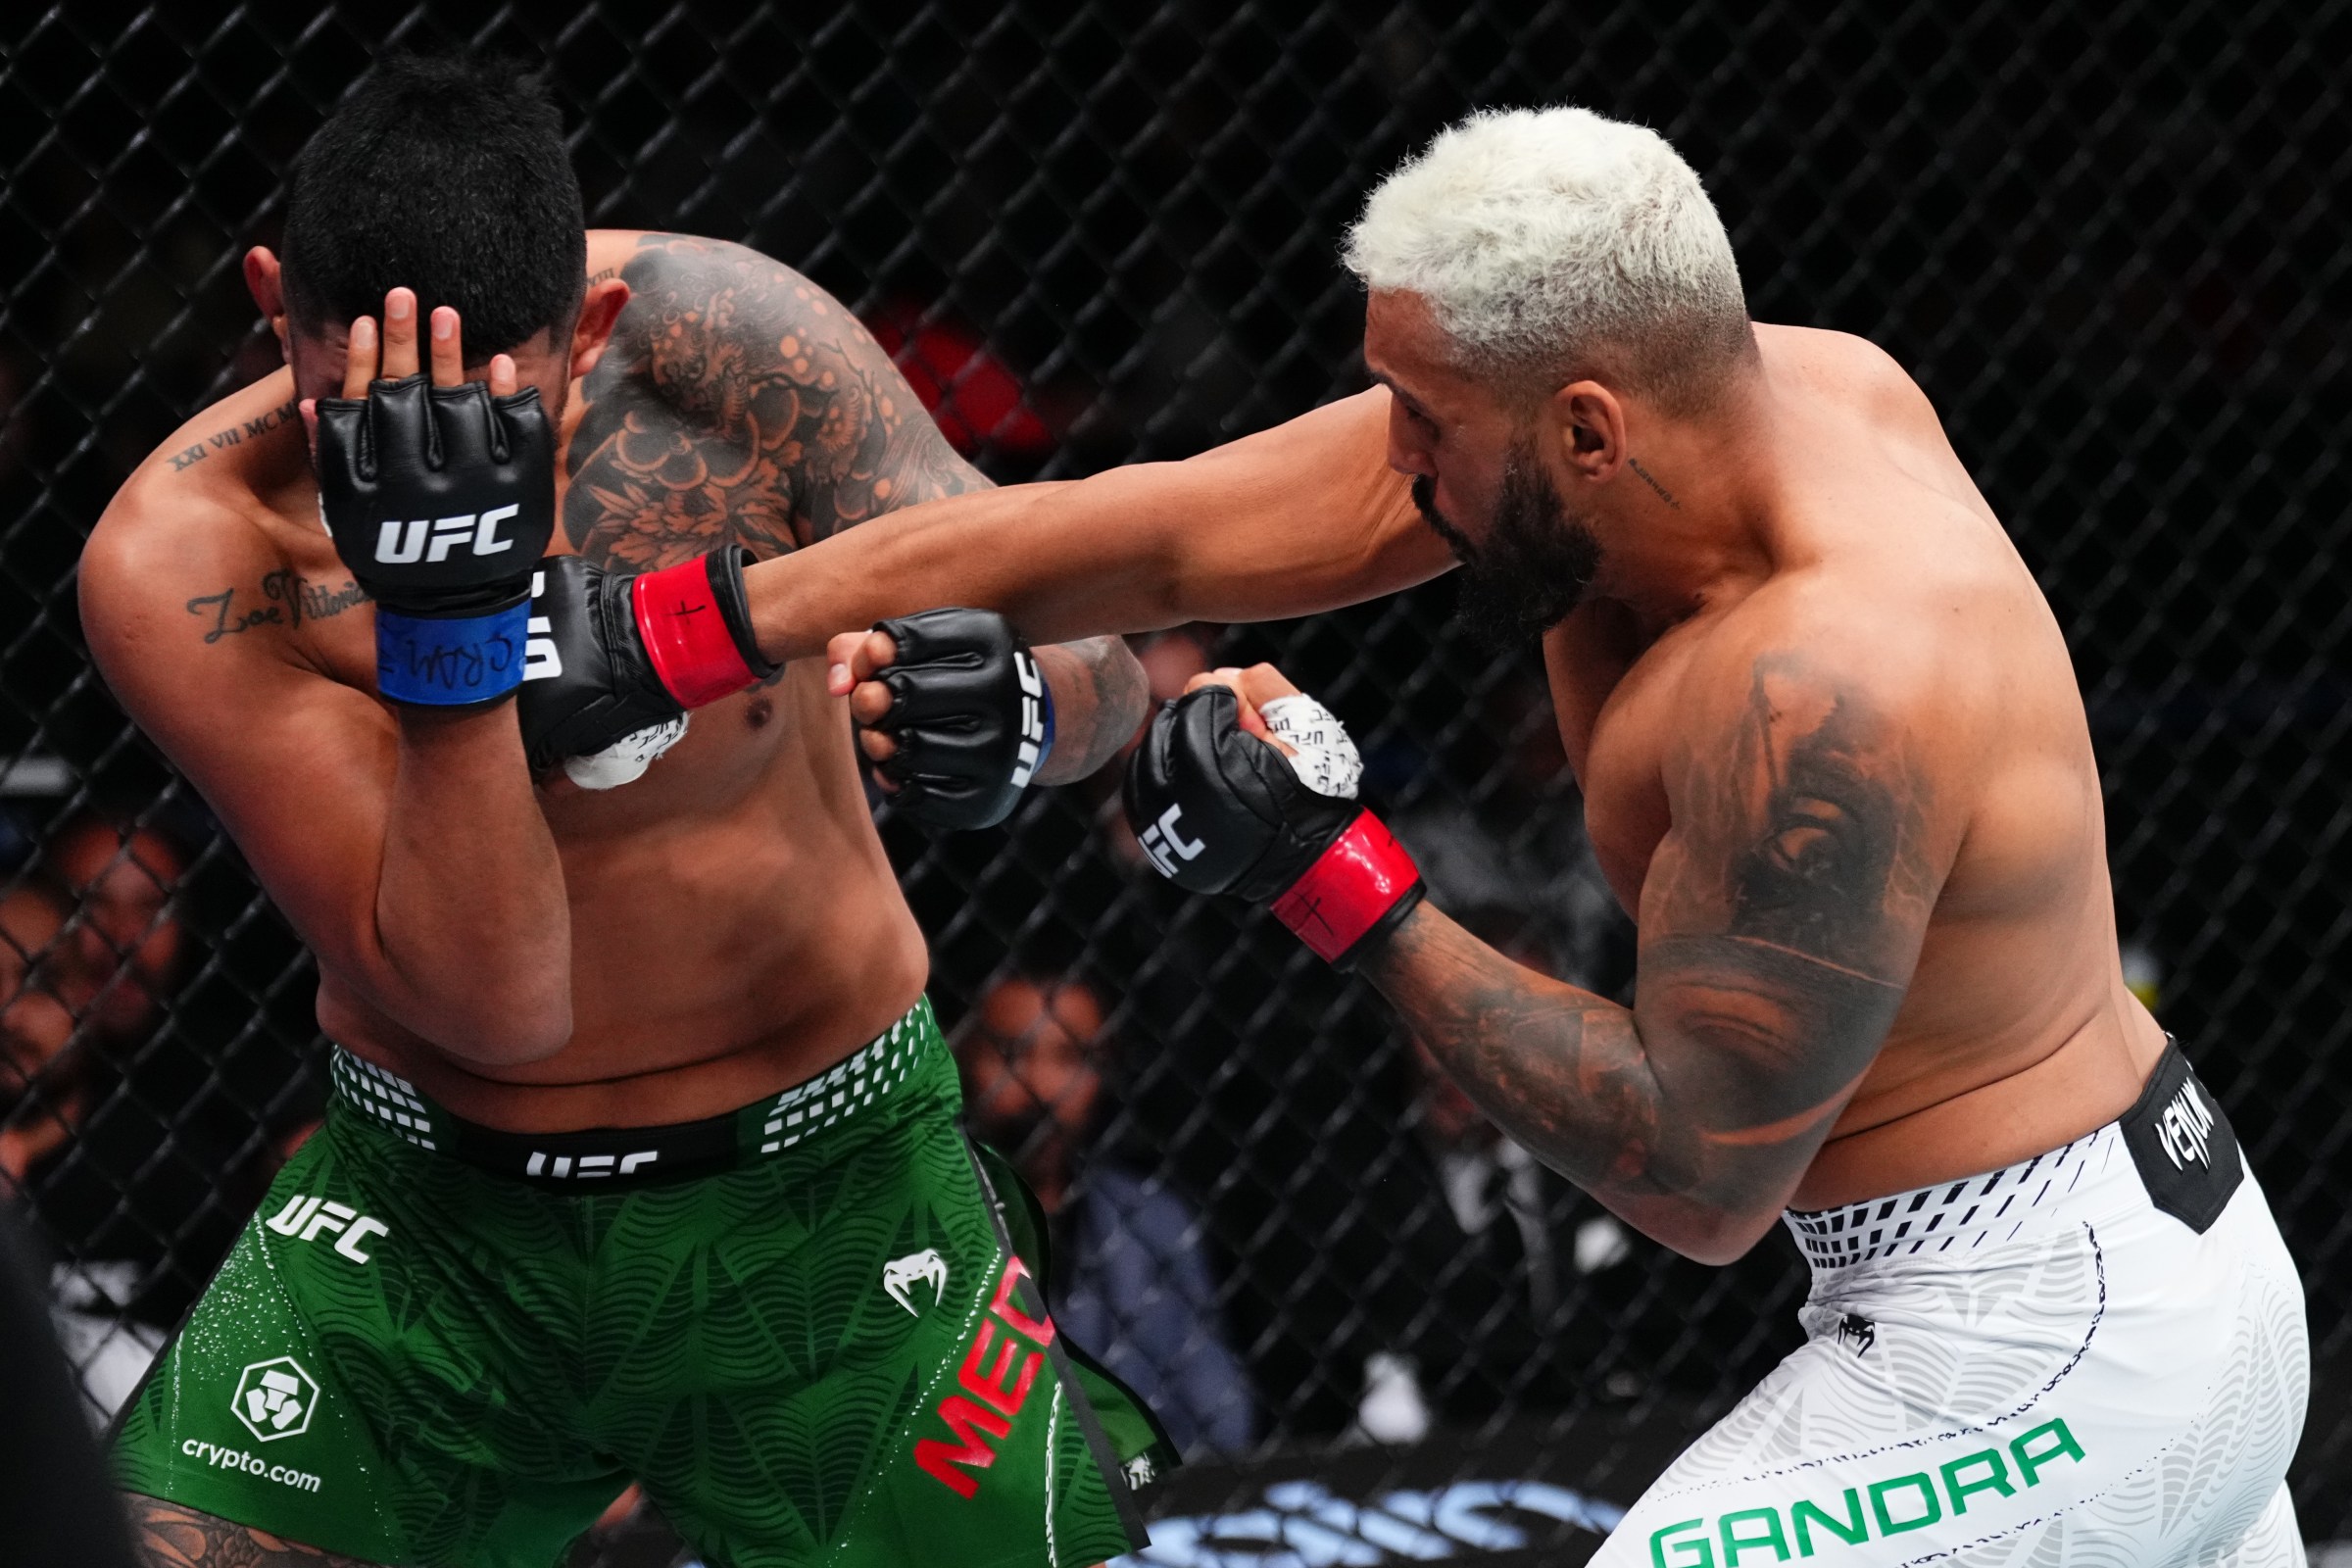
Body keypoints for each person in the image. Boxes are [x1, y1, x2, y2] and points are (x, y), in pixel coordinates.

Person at [643, 106, 2307, 1563]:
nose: (1394, 453)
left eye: (1425, 417)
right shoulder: (1729, 409)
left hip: (2046, 1340)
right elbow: (1153, 538)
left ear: (1585, 426)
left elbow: (1701, 1173)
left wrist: (1329, 871)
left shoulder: (1820, 686)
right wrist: (698, 634)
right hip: (2144, 1240)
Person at [80, 53, 1163, 1568]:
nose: (429, 453)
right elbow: (492, 1005)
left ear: (593, 324)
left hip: (833, 1199)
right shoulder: (187, 555)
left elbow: (1104, 659)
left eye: (499, 410)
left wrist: (1033, 710)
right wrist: (449, 617)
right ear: (273, 304)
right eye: (356, 410)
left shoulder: (738, 351)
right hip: (431, 1225)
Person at [956, 973, 1252, 1457]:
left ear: (1104, 1069)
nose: (1040, 1087)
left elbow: (1220, 1419)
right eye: (1009, 1055)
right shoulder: (912, 1223)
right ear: (962, 1057)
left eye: (1069, 1057)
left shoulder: (1151, 1222)